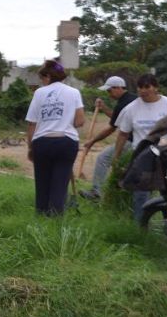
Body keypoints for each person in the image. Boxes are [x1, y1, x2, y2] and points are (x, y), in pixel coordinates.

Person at [112, 73, 167, 221]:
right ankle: (141, 225)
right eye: (140, 87)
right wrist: (116, 156)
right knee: (140, 193)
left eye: (147, 87)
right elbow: (122, 134)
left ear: (156, 88)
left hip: (166, 154)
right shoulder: (131, 109)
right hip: (142, 157)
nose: (143, 90)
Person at [25, 60, 85, 216]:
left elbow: (32, 124)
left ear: (47, 76)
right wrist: (63, 120)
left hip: (42, 142)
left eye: (42, 78)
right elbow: (80, 121)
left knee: (42, 184)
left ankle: (41, 217)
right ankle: (56, 221)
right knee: (59, 185)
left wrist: (30, 147)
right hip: (66, 142)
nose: (42, 81)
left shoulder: (39, 93)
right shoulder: (74, 92)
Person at [78, 76, 137, 201]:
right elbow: (117, 119)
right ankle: (116, 196)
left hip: (131, 141)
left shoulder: (123, 104)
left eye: (109, 90)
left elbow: (111, 128)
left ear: (119, 88)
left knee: (103, 158)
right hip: (139, 141)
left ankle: (96, 193)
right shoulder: (132, 99)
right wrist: (104, 107)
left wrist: (91, 142)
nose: (108, 93)